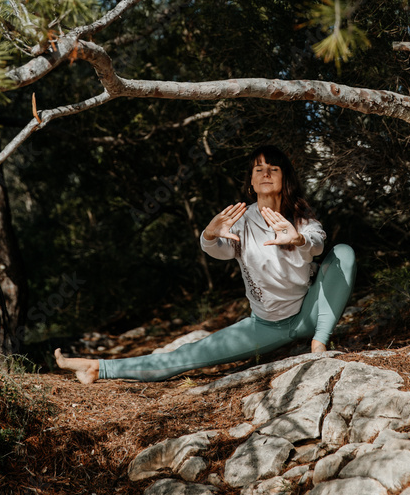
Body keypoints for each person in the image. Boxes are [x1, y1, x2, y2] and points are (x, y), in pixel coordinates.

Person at [55, 144, 356, 384]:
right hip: (267, 325)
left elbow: (317, 244)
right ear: (251, 181)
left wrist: (298, 239)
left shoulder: (300, 217)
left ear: (284, 178)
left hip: (310, 311)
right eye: (259, 169)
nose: (266, 173)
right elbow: (219, 251)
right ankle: (99, 368)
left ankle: (319, 343)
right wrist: (209, 235)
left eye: (273, 169)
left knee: (344, 252)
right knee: (187, 355)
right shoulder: (241, 220)